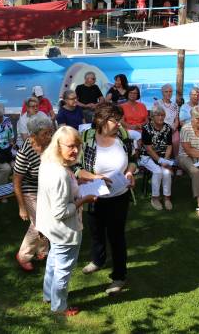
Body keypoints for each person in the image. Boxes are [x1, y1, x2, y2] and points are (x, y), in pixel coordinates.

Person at [76, 103, 136, 295]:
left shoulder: (123, 136)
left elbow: (134, 160)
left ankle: (119, 276)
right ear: (102, 120)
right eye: (115, 120)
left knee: (117, 236)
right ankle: (97, 260)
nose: (119, 124)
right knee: (96, 231)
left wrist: (130, 173)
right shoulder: (86, 137)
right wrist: (95, 177)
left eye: (120, 120)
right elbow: (75, 167)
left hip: (119, 195)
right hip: (94, 194)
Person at [37, 126, 96, 316]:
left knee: (53, 261)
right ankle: (59, 307)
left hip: (51, 228)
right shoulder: (60, 174)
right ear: (58, 145)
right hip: (64, 230)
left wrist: (78, 185)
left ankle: (48, 296)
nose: (76, 150)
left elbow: (56, 196)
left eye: (78, 145)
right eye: (71, 146)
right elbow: (61, 211)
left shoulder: (49, 162)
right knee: (63, 270)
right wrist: (84, 200)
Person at [13, 116, 54, 271]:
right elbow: (16, 181)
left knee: (46, 220)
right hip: (30, 190)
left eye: (50, 132)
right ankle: (23, 255)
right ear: (33, 135)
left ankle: (42, 251)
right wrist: (22, 207)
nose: (49, 136)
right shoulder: (25, 152)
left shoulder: (50, 145)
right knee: (40, 223)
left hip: (48, 189)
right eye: (45, 134)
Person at [139, 106, 174, 211]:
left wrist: (166, 160)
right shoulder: (146, 128)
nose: (161, 117)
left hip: (163, 156)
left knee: (167, 173)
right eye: (158, 115)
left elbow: (169, 145)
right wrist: (160, 161)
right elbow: (148, 149)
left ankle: (167, 198)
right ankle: (155, 198)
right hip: (147, 156)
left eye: (162, 115)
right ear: (152, 117)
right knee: (158, 171)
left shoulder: (167, 128)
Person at [153, 84, 180, 155]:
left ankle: (177, 159)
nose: (168, 93)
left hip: (173, 128)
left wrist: (174, 128)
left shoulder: (175, 105)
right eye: (166, 91)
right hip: (160, 128)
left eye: (170, 91)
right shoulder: (157, 103)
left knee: (176, 140)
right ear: (162, 92)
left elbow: (176, 119)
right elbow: (155, 118)